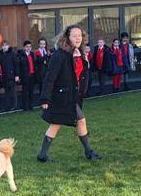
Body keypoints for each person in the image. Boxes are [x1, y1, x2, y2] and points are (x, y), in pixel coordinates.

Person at [37, 25, 101, 163]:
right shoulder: (59, 55)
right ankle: (88, 152)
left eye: (80, 35)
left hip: (73, 96)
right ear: (67, 38)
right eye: (74, 36)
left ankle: (42, 155)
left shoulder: (80, 53)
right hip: (61, 97)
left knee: (58, 124)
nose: (78, 38)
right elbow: (49, 77)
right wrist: (45, 99)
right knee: (76, 121)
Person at [0, 39, 20, 111]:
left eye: (6, 45)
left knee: (13, 92)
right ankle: (7, 106)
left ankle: (14, 106)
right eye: (3, 45)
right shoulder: (0, 55)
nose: (4, 47)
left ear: (8, 46)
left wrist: (17, 75)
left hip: (12, 76)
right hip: (4, 77)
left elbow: (16, 65)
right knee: (6, 92)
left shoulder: (12, 54)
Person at [17, 40, 37, 111]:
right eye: (27, 46)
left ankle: (31, 105)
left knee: (31, 91)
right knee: (25, 91)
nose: (29, 48)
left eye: (30, 46)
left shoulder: (32, 54)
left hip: (32, 75)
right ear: (24, 47)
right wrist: (18, 76)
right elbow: (18, 66)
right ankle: (25, 107)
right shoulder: (21, 55)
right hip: (25, 76)